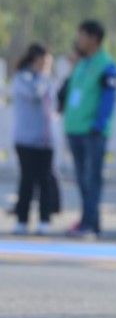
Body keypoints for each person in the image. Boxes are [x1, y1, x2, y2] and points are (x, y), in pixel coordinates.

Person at [63, 20, 116, 238]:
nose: (78, 40)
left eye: (82, 36)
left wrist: (99, 125)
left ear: (94, 38)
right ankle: (90, 222)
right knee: (81, 179)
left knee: (91, 179)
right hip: (75, 129)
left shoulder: (107, 65)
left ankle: (88, 223)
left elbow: (108, 99)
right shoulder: (81, 63)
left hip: (93, 132)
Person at [11, 43, 58, 233]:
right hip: (26, 140)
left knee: (45, 181)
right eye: (43, 60)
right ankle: (22, 220)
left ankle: (44, 220)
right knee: (27, 180)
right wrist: (42, 77)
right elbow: (34, 94)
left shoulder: (48, 80)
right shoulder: (23, 78)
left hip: (46, 140)